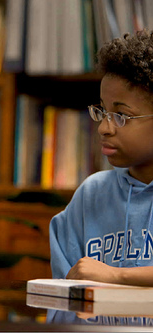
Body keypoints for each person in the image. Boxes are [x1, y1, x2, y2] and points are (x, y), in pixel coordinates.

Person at [50, 29, 153, 286]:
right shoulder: (91, 195)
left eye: (121, 116)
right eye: (102, 112)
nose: (104, 128)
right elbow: (65, 294)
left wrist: (118, 276)